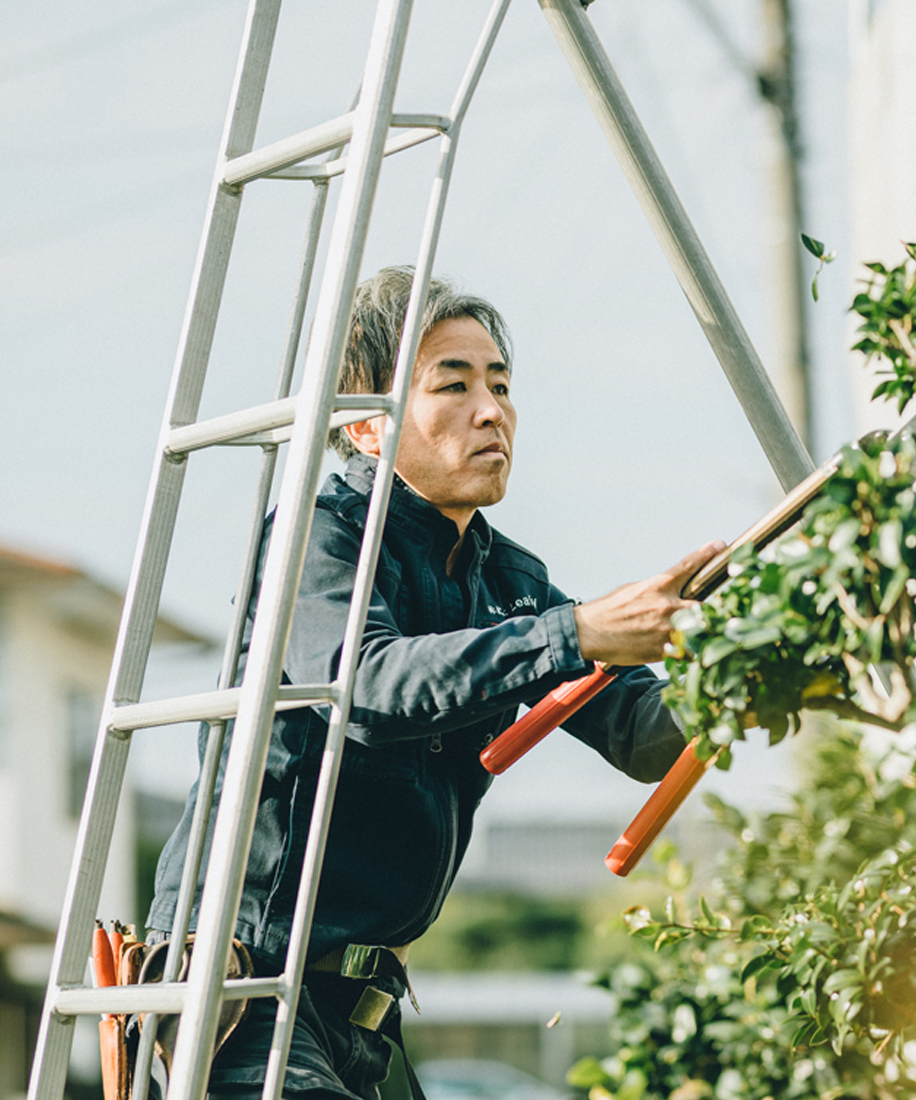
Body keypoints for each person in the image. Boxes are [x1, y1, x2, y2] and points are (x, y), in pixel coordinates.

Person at [145, 266, 716, 1100]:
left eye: (502, 385)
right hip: (245, 989)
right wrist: (576, 632)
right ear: (367, 428)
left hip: (364, 1015)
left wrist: (757, 666)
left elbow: (638, 733)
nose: (492, 411)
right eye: (453, 385)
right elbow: (365, 684)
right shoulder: (319, 541)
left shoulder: (508, 578)